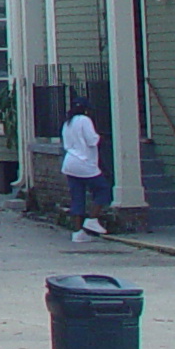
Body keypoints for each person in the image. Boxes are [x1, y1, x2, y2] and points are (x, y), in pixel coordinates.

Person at [60, 94, 107, 241]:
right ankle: (92, 220)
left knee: (77, 197)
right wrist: (100, 137)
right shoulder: (85, 120)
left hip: (70, 162)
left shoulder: (67, 123)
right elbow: (92, 140)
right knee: (103, 189)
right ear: (86, 110)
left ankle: (78, 232)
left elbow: (66, 144)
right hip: (84, 162)